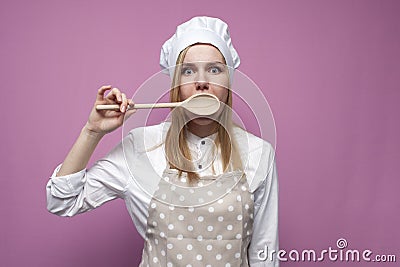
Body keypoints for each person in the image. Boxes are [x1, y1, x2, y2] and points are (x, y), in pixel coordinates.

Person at [46, 16, 279, 267]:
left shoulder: (258, 153)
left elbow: (265, 253)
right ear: (175, 84)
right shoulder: (140, 147)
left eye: (214, 69)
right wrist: (93, 132)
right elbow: (62, 201)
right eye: (188, 71)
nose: (202, 82)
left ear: (229, 82)